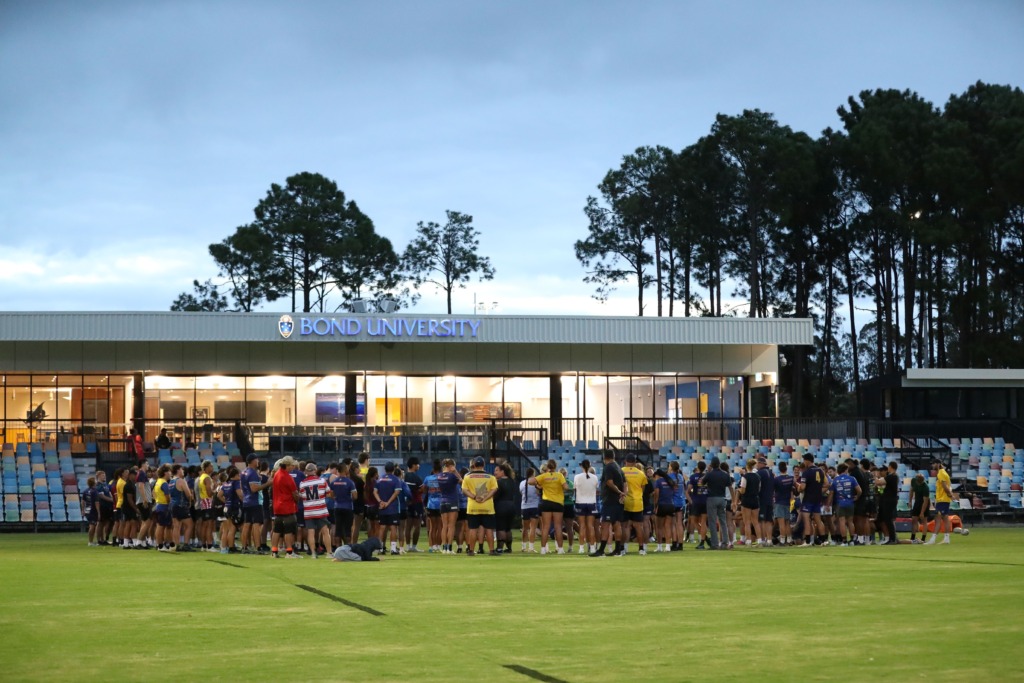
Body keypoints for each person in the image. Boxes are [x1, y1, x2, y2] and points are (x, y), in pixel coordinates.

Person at [529, 460, 568, 554]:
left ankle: (543, 549)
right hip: (558, 503)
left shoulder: (544, 476)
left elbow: (530, 481)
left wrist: (539, 484)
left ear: (547, 466)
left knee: (545, 527)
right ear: (555, 466)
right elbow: (566, 487)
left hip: (546, 502)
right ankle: (560, 549)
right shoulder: (559, 475)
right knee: (558, 527)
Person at [462, 456, 499, 555]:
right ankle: (491, 550)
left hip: (473, 507)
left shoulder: (467, 477)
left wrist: (474, 497)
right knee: (489, 529)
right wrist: (485, 498)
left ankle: (471, 550)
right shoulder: (491, 477)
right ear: (484, 465)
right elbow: (494, 489)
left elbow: (464, 490)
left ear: (474, 465)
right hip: (487, 507)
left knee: (473, 529)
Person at [594, 452, 626, 556]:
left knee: (605, 524)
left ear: (604, 458)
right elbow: (625, 483)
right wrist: (623, 494)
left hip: (609, 500)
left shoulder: (608, 467)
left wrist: (619, 492)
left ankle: (601, 550)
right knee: (617, 524)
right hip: (618, 501)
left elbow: (609, 482)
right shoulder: (619, 467)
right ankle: (618, 549)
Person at [271, 456, 302, 558]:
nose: (293, 467)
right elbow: (295, 494)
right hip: (287, 506)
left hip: (277, 506)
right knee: (289, 530)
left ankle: (274, 551)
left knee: (277, 530)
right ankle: (289, 552)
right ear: (287, 465)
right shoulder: (288, 477)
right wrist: (298, 499)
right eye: (292, 465)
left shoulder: (276, 474)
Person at [300, 463, 331, 559]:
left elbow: (302, 497)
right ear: (315, 470)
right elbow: (328, 493)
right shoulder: (322, 481)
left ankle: (313, 553)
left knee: (311, 533)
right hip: (320, 510)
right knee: (325, 531)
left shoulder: (302, 483)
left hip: (308, 511)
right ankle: (329, 553)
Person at [702, 456, 733, 550]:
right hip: (722, 499)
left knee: (712, 522)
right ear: (719, 464)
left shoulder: (709, 474)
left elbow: (702, 482)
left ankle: (715, 544)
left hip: (712, 498)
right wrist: (734, 499)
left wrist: (708, 472)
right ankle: (725, 543)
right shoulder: (725, 474)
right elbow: (731, 487)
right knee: (723, 521)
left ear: (711, 464)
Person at [240, 455, 269, 554]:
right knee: (256, 524)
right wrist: (268, 483)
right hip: (255, 501)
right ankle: (258, 547)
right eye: (257, 460)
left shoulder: (243, 472)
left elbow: (242, 486)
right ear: (253, 461)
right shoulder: (252, 473)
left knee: (247, 524)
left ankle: (244, 547)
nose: (258, 461)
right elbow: (254, 488)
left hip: (246, 501)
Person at [797, 454, 829, 546]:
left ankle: (807, 541)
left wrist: (798, 488)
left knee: (806, 519)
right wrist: (818, 490)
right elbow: (827, 484)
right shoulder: (820, 470)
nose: (803, 462)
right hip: (817, 499)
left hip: (808, 499)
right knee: (818, 520)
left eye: (804, 460)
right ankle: (823, 540)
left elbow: (803, 487)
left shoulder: (806, 472)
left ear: (807, 461)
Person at [621, 454, 649, 555]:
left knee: (625, 526)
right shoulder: (641, 473)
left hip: (625, 502)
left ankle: (624, 548)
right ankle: (641, 549)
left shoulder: (621, 471)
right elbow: (643, 489)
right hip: (637, 502)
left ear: (625, 461)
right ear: (635, 462)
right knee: (639, 527)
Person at [374, 462, 403, 555]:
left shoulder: (379, 479)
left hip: (382, 507)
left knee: (382, 527)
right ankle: (393, 549)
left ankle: (380, 548)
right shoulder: (396, 479)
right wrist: (388, 503)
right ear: (393, 469)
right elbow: (396, 492)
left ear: (385, 469)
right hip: (392, 507)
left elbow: (375, 492)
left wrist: (380, 502)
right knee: (393, 527)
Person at [830, 463, 861, 545]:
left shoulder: (835, 480)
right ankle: (852, 540)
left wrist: (828, 503)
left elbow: (831, 493)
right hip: (850, 502)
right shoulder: (852, 478)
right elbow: (859, 490)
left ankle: (844, 541)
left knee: (842, 522)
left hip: (840, 503)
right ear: (846, 470)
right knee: (850, 521)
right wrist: (857, 497)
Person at [436, 459, 463, 554]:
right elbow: (462, 482)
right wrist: (455, 471)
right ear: (451, 466)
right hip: (452, 501)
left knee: (444, 526)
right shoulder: (452, 476)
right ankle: (449, 549)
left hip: (443, 502)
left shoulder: (439, 476)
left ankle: (444, 548)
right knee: (451, 526)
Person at [328, 462, 357, 549]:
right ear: (345, 470)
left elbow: (331, 495)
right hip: (348, 507)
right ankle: (348, 548)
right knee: (348, 528)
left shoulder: (334, 482)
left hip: (337, 507)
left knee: (338, 529)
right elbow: (355, 496)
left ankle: (338, 548)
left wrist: (337, 499)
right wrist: (349, 498)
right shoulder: (350, 482)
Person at [574, 459, 599, 555]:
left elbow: (575, 488)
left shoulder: (577, 477)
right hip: (591, 503)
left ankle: (581, 548)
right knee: (590, 526)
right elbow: (596, 488)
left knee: (582, 526)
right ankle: (592, 547)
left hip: (580, 503)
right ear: (589, 466)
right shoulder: (595, 477)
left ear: (581, 466)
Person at [493, 462, 519, 554]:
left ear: (502, 471)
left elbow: (495, 495)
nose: (495, 472)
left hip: (501, 505)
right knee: (508, 528)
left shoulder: (498, 482)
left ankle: (499, 548)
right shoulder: (512, 481)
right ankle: (509, 548)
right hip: (511, 505)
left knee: (501, 527)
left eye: (497, 470)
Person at [926, 460, 953, 545]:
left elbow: (945, 487)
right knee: (945, 518)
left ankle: (933, 539)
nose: (932, 465)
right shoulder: (943, 473)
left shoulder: (941, 473)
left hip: (942, 499)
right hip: (943, 499)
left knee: (938, 519)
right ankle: (946, 538)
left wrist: (950, 495)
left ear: (938, 464)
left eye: (933, 464)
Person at [218, 466, 243, 554]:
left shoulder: (226, 483)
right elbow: (240, 494)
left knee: (226, 529)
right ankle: (231, 547)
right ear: (236, 475)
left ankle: (224, 548)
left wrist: (226, 502)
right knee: (232, 529)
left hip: (226, 508)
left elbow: (219, 495)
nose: (240, 476)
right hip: (233, 508)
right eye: (239, 475)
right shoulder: (236, 483)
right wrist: (245, 501)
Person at [169, 464, 194, 552]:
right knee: (190, 524)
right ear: (178, 470)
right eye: (181, 469)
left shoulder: (171, 481)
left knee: (176, 526)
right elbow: (188, 494)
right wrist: (190, 499)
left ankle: (176, 545)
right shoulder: (181, 481)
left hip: (173, 505)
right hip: (181, 505)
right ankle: (186, 545)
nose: (183, 471)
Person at [402, 457, 424, 552]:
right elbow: (422, 489)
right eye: (417, 464)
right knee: (417, 526)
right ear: (413, 465)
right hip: (416, 503)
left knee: (408, 526)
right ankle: (414, 547)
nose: (419, 466)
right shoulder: (416, 477)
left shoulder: (404, 476)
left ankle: (407, 546)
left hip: (406, 503)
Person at [651, 468, 676, 552]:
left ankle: (659, 546)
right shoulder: (670, 481)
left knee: (659, 527)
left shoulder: (658, 482)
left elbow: (656, 494)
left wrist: (655, 506)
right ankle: (668, 546)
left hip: (661, 505)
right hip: (670, 504)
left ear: (657, 475)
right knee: (667, 526)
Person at [737, 458, 761, 546]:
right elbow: (759, 489)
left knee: (747, 522)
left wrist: (739, 490)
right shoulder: (758, 476)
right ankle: (759, 540)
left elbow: (743, 490)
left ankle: (748, 540)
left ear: (747, 466)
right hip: (755, 500)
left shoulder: (745, 477)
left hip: (746, 500)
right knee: (756, 522)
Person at [875, 461, 900, 545]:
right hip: (891, 499)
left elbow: (878, 483)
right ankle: (892, 538)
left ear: (891, 467)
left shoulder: (891, 476)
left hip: (889, 500)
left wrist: (875, 476)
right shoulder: (895, 476)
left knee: (888, 519)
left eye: (889, 466)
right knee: (888, 519)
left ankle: (892, 538)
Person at [195, 461, 217, 551]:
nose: (212, 467)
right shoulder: (207, 478)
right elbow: (209, 493)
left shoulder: (201, 477)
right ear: (206, 467)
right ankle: (210, 546)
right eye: (211, 466)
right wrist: (216, 489)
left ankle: (204, 545)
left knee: (204, 525)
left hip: (203, 501)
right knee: (209, 524)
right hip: (208, 501)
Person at [687, 461, 708, 548]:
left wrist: (691, 499)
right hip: (705, 500)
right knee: (703, 521)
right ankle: (704, 540)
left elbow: (689, 489)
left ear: (698, 467)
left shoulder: (693, 476)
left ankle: (705, 539)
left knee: (694, 521)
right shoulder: (707, 476)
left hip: (696, 501)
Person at [667, 461, 688, 551]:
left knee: (673, 524)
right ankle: (681, 544)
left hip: (672, 502)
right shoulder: (681, 477)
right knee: (680, 523)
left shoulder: (669, 477)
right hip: (681, 502)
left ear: (671, 467)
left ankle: (674, 543)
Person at [773, 461, 795, 545]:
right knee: (787, 522)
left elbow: (774, 490)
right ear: (786, 468)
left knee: (781, 523)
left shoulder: (776, 479)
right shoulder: (791, 478)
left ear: (779, 469)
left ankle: (782, 540)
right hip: (787, 502)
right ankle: (789, 539)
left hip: (779, 502)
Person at [519, 466, 540, 552]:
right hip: (534, 506)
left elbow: (521, 493)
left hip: (524, 507)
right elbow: (538, 493)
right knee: (533, 528)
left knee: (525, 528)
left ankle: (523, 546)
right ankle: (531, 547)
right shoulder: (536, 483)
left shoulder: (522, 483)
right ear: (533, 474)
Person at [755, 456, 775, 546]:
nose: (757, 465)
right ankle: (769, 540)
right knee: (769, 521)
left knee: (761, 520)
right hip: (770, 499)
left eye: (757, 463)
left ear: (761, 463)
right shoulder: (771, 473)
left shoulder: (759, 473)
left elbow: (757, 487)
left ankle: (763, 540)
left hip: (762, 500)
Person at [423, 460, 442, 552]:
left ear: (433, 469)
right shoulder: (443, 478)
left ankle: (432, 546)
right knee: (440, 527)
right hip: (441, 504)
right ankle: (438, 546)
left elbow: (424, 490)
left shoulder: (428, 478)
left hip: (431, 504)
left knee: (432, 527)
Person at [909, 473, 930, 544]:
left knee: (924, 520)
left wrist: (922, 512)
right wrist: (910, 501)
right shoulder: (913, 481)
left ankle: (923, 538)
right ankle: (912, 537)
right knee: (914, 519)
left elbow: (925, 501)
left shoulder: (926, 487)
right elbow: (911, 490)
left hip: (924, 503)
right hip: (917, 502)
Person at [94, 470, 114, 545]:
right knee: (100, 523)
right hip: (102, 506)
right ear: (98, 476)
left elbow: (109, 493)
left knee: (106, 523)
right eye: (102, 475)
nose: (104, 476)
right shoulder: (98, 485)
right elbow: (101, 496)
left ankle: (104, 539)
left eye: (104, 475)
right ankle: (99, 540)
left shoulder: (105, 484)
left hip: (108, 506)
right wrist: (112, 500)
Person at [83, 476, 99, 546]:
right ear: (94, 482)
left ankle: (91, 541)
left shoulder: (86, 491)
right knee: (92, 526)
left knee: (91, 525)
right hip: (93, 510)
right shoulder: (95, 491)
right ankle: (90, 541)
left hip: (87, 510)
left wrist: (83, 510)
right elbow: (96, 502)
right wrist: (98, 512)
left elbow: (83, 501)